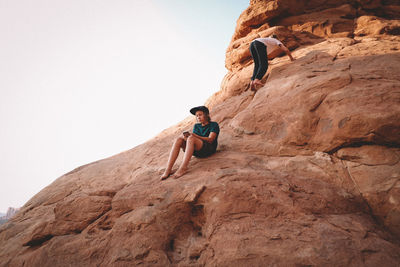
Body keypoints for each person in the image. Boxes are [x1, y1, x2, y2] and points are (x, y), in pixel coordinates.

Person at [160, 106, 220, 180]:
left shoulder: (214, 124)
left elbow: (210, 140)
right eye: (197, 116)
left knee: (191, 138)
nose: (198, 117)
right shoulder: (196, 126)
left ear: (206, 115)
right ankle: (168, 170)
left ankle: (183, 168)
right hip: (197, 151)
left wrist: (195, 136)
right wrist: (186, 138)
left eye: (200, 115)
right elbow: (193, 139)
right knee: (179, 139)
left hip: (208, 150)